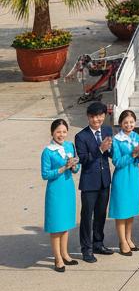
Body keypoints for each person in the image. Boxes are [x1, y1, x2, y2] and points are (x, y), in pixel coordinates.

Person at [74, 102, 113, 262]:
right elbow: (83, 159)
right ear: (88, 117)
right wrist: (100, 149)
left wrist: (110, 149)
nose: (97, 119)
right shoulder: (81, 136)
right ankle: (86, 249)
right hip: (89, 182)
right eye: (93, 117)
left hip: (105, 180)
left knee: (101, 214)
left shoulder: (107, 130)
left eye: (100, 116)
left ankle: (98, 243)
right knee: (87, 216)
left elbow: (111, 154)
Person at [42, 119, 80, 272]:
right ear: (52, 132)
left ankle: (65, 254)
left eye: (64, 132)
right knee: (56, 225)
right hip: (56, 190)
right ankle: (57, 258)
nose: (61, 135)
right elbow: (45, 174)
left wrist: (74, 166)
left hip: (68, 188)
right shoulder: (48, 151)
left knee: (65, 224)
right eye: (58, 132)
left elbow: (76, 168)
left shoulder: (70, 146)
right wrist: (63, 168)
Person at [110, 110, 139, 255]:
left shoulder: (137, 136)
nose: (129, 125)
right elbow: (117, 161)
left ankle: (129, 238)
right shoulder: (116, 140)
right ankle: (122, 241)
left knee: (130, 209)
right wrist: (132, 154)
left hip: (133, 175)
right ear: (120, 123)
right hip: (122, 177)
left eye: (131, 122)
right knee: (122, 211)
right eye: (125, 122)